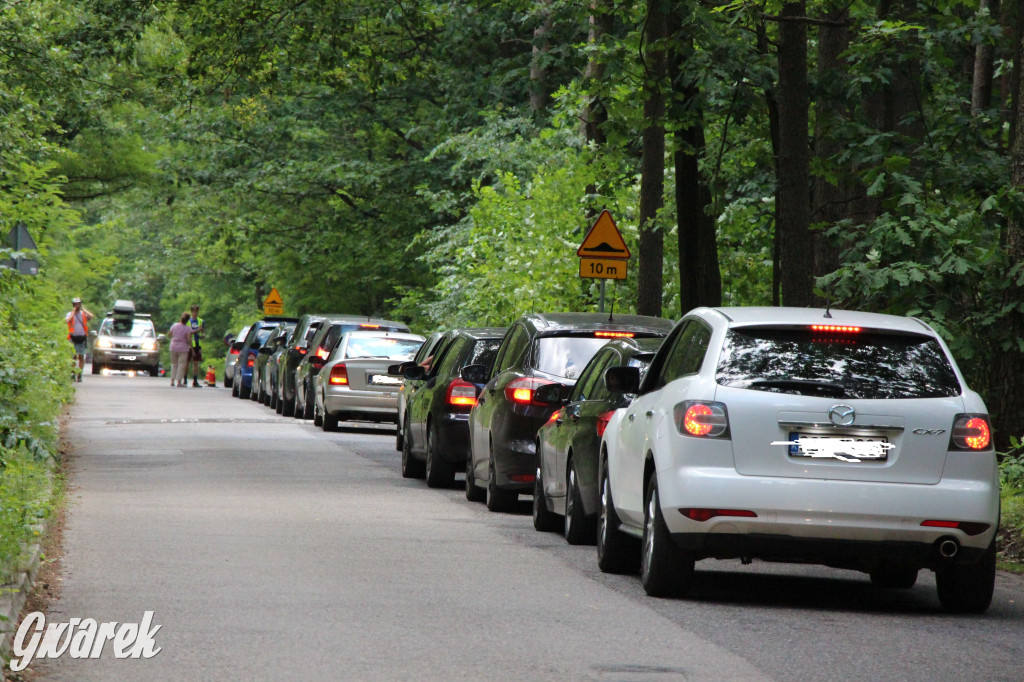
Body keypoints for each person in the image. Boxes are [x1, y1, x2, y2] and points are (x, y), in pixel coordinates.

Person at [66, 297, 94, 382]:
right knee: (73, 357)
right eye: (76, 304)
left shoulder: (83, 314)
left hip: (82, 338)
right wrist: (74, 311)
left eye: (79, 304)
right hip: (72, 338)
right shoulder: (70, 314)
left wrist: (83, 309)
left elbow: (91, 316)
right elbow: (67, 321)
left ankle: (80, 374)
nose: (77, 306)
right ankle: (73, 373)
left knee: (81, 356)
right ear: (73, 305)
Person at [169, 312, 192, 387]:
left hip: (173, 347)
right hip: (183, 348)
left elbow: (170, 334)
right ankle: (179, 381)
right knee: (181, 365)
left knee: (174, 364)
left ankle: (172, 381)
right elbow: (188, 339)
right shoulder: (188, 328)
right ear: (188, 320)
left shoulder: (174, 325)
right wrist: (191, 348)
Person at [186, 304, 205, 387]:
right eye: (194, 311)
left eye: (197, 311)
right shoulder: (188, 322)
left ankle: (195, 380)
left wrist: (202, 335)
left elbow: (202, 332)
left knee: (196, 363)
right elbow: (188, 333)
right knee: (187, 363)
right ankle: (184, 379)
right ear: (191, 312)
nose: (196, 313)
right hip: (189, 345)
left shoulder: (200, 321)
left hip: (197, 344)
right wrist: (198, 330)